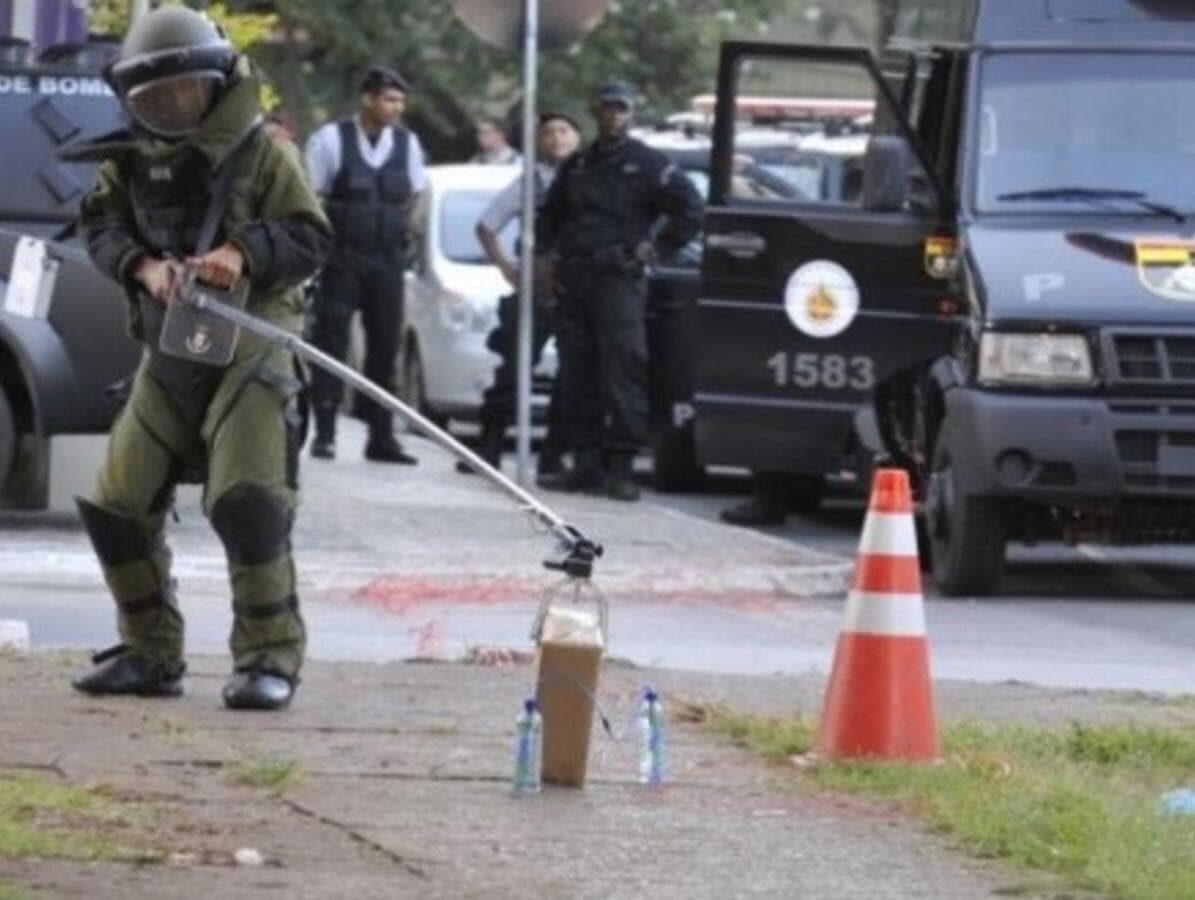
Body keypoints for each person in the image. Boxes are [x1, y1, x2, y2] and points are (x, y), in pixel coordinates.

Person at [68, 7, 332, 710]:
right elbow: (99, 225)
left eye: (186, 91)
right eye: (155, 97)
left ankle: (266, 657)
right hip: (171, 344)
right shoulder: (125, 161)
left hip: (252, 341)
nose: (172, 107)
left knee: (248, 500)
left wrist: (242, 252)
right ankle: (151, 653)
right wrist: (141, 267)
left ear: (217, 84)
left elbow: (309, 236)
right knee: (115, 504)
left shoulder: (265, 153)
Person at [536, 80, 703, 501]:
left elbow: (690, 209)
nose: (613, 115)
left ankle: (623, 466)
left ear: (631, 113)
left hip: (618, 279)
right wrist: (544, 259)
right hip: (576, 279)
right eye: (606, 108)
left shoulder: (648, 163)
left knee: (623, 369)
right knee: (577, 373)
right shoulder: (577, 165)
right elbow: (549, 215)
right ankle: (586, 463)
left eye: (621, 109)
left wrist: (657, 249)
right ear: (595, 111)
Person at [304, 65, 426, 464]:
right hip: (343, 258)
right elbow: (311, 198)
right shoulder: (330, 140)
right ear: (368, 99)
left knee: (385, 348)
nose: (396, 107)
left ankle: (382, 437)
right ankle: (324, 433)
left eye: (400, 100)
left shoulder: (408, 145)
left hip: (388, 261)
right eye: (389, 99)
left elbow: (413, 201)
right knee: (331, 343)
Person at [457, 109, 581, 477]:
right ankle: (489, 450)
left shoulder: (591, 177)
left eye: (564, 130)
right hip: (535, 290)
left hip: (578, 289)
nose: (556, 138)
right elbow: (487, 225)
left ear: (577, 136)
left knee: (573, 378)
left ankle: (554, 457)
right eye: (549, 133)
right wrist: (509, 271)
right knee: (513, 371)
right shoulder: (533, 181)